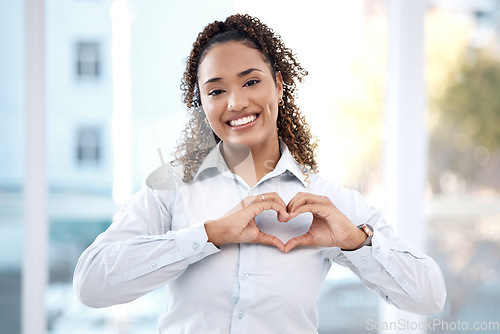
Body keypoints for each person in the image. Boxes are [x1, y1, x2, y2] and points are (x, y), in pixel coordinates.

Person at [73, 13, 446, 333]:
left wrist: (356, 242)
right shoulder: (169, 189)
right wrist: (208, 235)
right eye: (216, 91)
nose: (236, 102)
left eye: (251, 81)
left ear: (279, 85)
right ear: (201, 104)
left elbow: (429, 296)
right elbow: (90, 284)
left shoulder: (327, 201)